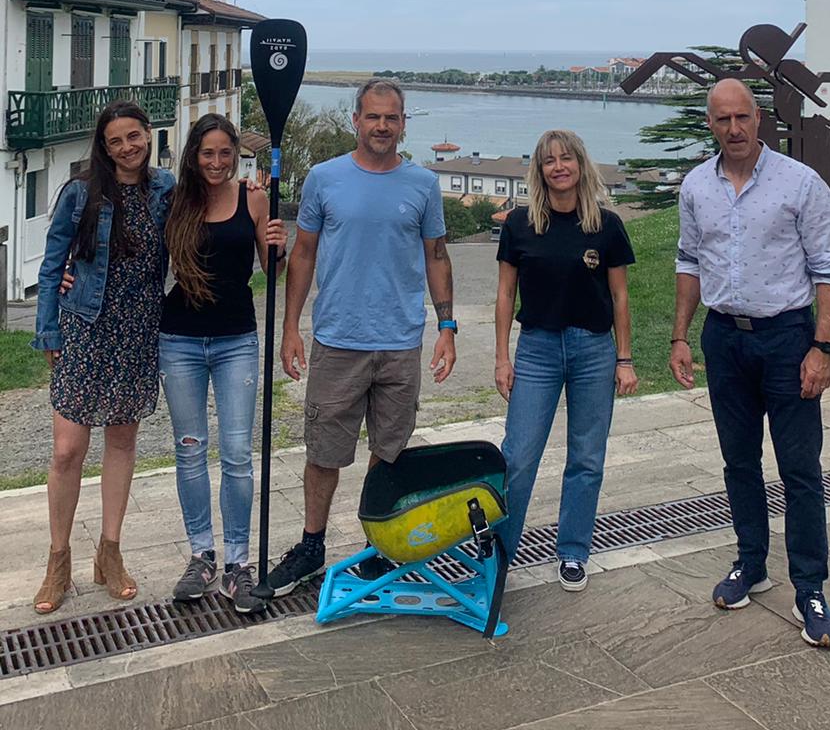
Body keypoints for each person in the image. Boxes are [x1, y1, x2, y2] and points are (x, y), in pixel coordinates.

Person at [255, 77, 456, 598]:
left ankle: (378, 548)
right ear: (356, 121)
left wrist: (447, 327)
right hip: (339, 339)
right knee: (324, 452)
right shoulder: (324, 178)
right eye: (373, 116)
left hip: (399, 342)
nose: (382, 126)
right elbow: (303, 254)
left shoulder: (423, 185)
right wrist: (291, 328)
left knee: (388, 454)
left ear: (403, 123)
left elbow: (437, 256)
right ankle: (311, 547)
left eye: (392, 118)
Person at [672, 78, 830, 649]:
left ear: (759, 118)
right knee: (738, 462)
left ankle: (810, 588)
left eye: (742, 117)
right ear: (711, 125)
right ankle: (752, 562)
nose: (734, 129)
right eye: (722, 120)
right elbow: (689, 263)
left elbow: (829, 270)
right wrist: (681, 337)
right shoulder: (697, 186)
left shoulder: (802, 183)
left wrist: (821, 348)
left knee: (800, 469)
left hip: (788, 339)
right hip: (725, 339)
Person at [32, 100, 176, 613]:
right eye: (115, 141)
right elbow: (52, 268)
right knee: (68, 450)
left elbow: (203, 219)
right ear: (104, 146)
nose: (127, 148)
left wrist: (252, 195)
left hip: (138, 332)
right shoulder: (79, 193)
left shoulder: (165, 190)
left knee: (122, 441)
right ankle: (58, 560)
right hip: (84, 331)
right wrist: (48, 329)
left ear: (148, 135)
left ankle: (109, 553)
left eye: (134, 136)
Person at [494, 129, 638, 591]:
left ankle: (574, 551)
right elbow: (504, 295)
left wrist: (624, 358)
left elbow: (619, 297)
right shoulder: (519, 224)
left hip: (593, 350)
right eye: (549, 160)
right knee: (517, 457)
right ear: (539, 170)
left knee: (587, 458)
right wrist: (502, 357)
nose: (559, 167)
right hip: (536, 349)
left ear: (580, 164)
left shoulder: (607, 225)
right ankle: (499, 554)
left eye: (566, 158)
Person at [160, 115, 287, 613]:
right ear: (194, 155)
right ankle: (201, 555)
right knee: (190, 449)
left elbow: (271, 270)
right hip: (179, 339)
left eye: (225, 153)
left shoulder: (253, 198)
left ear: (237, 155)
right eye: (207, 153)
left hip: (237, 338)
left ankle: (237, 561)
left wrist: (278, 246)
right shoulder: (174, 202)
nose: (216, 162)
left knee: (237, 451)